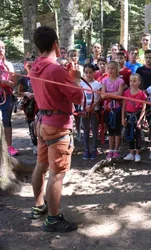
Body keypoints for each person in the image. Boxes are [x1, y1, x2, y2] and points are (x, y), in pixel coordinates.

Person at [29, 26, 83, 232]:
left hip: (42, 122)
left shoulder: (35, 67)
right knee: (57, 173)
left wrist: (66, 74)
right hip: (58, 126)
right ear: (55, 44)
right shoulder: (55, 70)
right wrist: (75, 78)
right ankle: (53, 219)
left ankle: (38, 205)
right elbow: (77, 98)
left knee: (41, 165)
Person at [101, 61, 124, 159]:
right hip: (108, 108)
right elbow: (102, 95)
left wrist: (109, 94)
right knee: (110, 130)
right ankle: (110, 149)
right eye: (108, 68)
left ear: (117, 69)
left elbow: (120, 94)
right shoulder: (105, 81)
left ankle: (116, 149)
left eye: (112, 68)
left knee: (117, 130)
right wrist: (113, 94)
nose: (110, 70)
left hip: (117, 108)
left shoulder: (120, 81)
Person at [122, 73, 147, 162]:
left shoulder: (141, 94)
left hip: (137, 115)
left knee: (138, 135)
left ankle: (137, 153)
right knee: (130, 134)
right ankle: (131, 153)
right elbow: (124, 105)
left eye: (135, 81)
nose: (132, 83)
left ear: (139, 82)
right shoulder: (126, 93)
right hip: (129, 116)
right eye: (131, 81)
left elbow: (144, 107)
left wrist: (140, 120)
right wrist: (122, 118)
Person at [80, 64, 102, 160]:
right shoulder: (81, 84)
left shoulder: (97, 84)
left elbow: (100, 98)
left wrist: (92, 106)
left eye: (90, 72)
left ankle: (94, 149)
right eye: (86, 72)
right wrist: (84, 106)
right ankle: (86, 149)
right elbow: (79, 97)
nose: (88, 74)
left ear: (94, 73)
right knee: (85, 130)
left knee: (94, 130)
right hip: (84, 110)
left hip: (94, 111)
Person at [0, 39, 18, 156]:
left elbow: (14, 81)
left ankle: (9, 146)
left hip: (7, 96)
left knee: (7, 121)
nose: (1, 50)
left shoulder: (9, 64)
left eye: (2, 48)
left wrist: (10, 81)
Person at [18, 58, 38, 155]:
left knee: (41, 122)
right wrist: (26, 93)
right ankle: (35, 144)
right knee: (31, 124)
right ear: (25, 66)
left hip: (40, 104)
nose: (31, 68)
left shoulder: (39, 77)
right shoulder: (23, 78)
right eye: (29, 66)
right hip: (29, 105)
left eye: (33, 66)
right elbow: (19, 92)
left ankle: (42, 144)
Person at [67, 49, 84, 142]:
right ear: (68, 57)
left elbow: (83, 80)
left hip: (78, 92)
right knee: (69, 115)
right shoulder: (66, 68)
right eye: (72, 56)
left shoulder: (81, 68)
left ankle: (78, 132)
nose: (74, 57)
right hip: (69, 94)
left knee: (78, 115)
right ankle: (69, 134)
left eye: (75, 56)